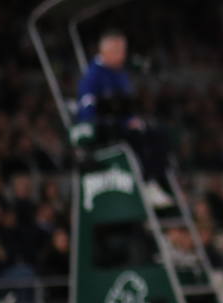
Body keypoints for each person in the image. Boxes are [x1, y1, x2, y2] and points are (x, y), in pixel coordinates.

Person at [72, 30, 173, 207]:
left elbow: (126, 105)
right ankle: (147, 183)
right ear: (107, 51)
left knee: (160, 133)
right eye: (119, 51)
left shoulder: (120, 72)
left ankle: (157, 181)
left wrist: (132, 119)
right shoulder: (93, 76)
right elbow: (87, 109)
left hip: (122, 123)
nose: (123, 55)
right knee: (141, 137)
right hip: (105, 128)